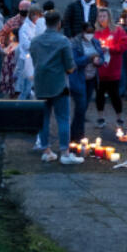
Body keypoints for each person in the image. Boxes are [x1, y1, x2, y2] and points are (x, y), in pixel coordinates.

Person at [29, 12, 83, 165]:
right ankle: (65, 152)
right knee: (63, 118)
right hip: (59, 84)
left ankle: (46, 151)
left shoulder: (35, 41)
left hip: (40, 84)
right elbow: (70, 66)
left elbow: (34, 61)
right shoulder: (63, 41)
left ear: (45, 23)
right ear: (59, 23)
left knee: (44, 119)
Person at [69, 21, 105, 142]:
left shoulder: (95, 42)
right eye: (87, 32)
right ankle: (76, 136)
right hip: (79, 79)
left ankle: (78, 134)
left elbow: (101, 57)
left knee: (83, 108)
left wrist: (98, 62)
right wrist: (89, 58)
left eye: (92, 32)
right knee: (80, 107)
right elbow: (75, 61)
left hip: (91, 79)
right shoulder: (75, 43)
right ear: (82, 32)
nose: (90, 35)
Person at [93, 9, 127, 129]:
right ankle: (100, 116)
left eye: (104, 16)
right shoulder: (96, 32)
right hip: (100, 68)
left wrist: (110, 48)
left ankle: (119, 117)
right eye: (100, 16)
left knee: (114, 94)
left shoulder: (118, 30)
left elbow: (124, 45)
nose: (102, 18)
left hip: (113, 66)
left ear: (109, 17)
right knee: (100, 93)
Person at [16, 4, 44, 100]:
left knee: (30, 87)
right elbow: (26, 45)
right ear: (32, 15)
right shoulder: (25, 28)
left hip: (35, 60)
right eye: (38, 16)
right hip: (26, 60)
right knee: (25, 88)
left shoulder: (38, 26)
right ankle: (20, 107)